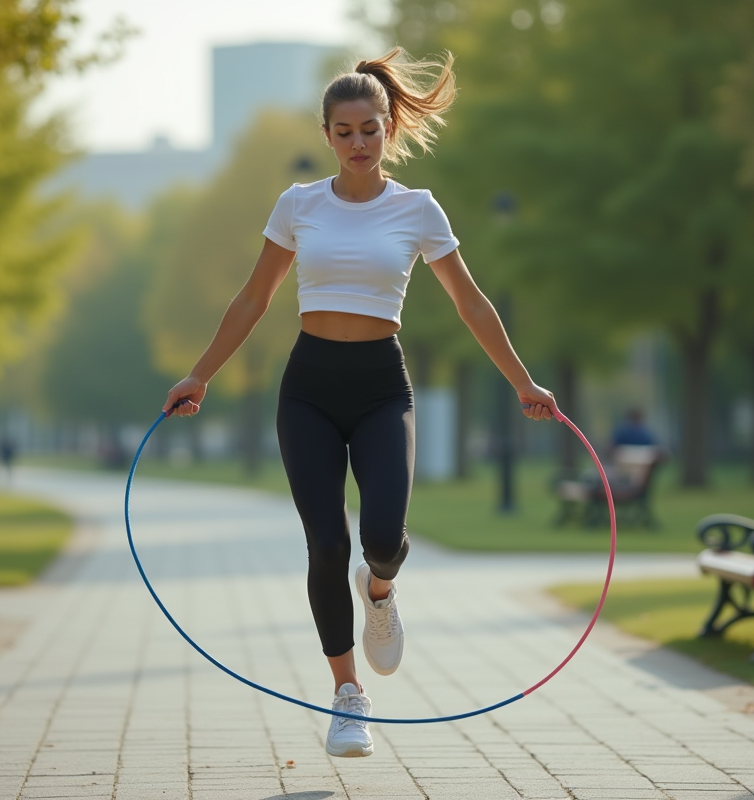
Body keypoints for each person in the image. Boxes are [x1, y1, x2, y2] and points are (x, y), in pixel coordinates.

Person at [161, 47, 559, 759]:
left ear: (388, 128)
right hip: (309, 388)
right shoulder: (298, 205)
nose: (358, 143)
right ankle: (348, 695)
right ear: (327, 135)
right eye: (343, 132)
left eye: (369, 129)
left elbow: (470, 303)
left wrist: (523, 382)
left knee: (382, 536)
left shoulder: (419, 209)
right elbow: (254, 298)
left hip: (381, 385)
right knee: (325, 542)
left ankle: (379, 593)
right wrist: (200, 374)